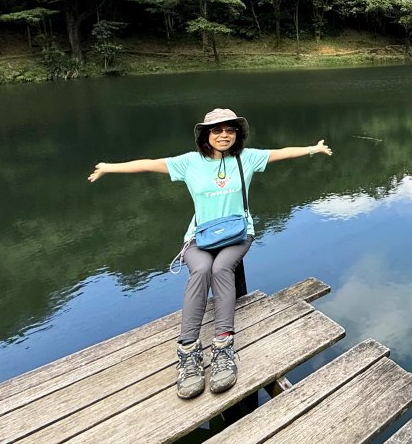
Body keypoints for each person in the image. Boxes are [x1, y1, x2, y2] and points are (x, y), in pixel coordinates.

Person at [87, 108, 332, 399]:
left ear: (237, 134)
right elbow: (149, 164)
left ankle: (223, 347)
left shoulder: (247, 158)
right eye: (217, 130)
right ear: (206, 135)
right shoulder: (189, 162)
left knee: (220, 268)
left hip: (239, 233)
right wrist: (108, 167)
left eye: (230, 130)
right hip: (199, 236)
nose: (224, 135)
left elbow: (281, 153)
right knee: (202, 269)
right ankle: (188, 351)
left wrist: (313, 149)